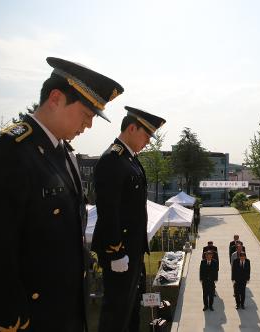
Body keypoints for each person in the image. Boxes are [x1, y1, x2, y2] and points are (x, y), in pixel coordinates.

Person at [0, 57, 122, 332]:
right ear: (56, 98)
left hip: (66, 315)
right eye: (86, 115)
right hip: (27, 319)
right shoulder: (5, 154)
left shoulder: (67, 156)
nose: (88, 126)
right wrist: (10, 318)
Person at [91, 106, 165, 332]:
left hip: (132, 250)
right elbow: (108, 211)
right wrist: (116, 252)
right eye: (147, 135)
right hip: (120, 252)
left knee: (131, 309)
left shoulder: (130, 160)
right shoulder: (112, 159)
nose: (149, 142)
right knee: (116, 312)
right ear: (132, 128)